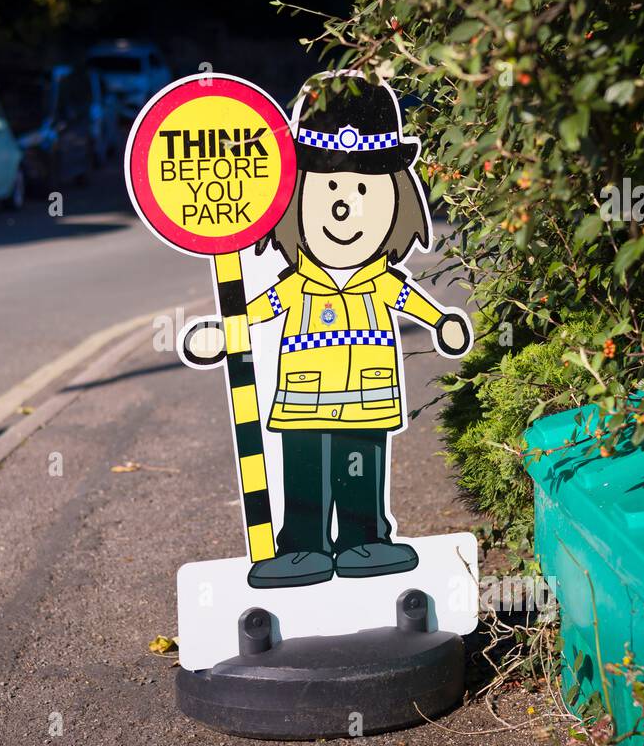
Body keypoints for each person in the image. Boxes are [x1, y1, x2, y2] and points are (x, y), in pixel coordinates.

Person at [183, 73, 473, 588]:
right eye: (331, 186)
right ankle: (302, 547)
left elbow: (411, 302)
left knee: (361, 470)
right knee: (305, 475)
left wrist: (443, 322)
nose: (344, 204)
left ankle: (365, 539)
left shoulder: (379, 282)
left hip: (367, 402)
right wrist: (222, 334)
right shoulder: (298, 285)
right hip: (303, 402)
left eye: (362, 188)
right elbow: (258, 311)